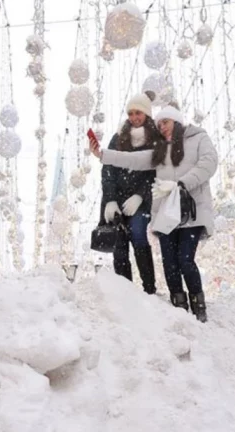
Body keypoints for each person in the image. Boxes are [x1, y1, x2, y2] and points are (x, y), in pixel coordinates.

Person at [90, 102, 218, 322]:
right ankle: (179, 305)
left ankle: (198, 304)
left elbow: (209, 164)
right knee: (170, 263)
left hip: (191, 212)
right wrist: (102, 155)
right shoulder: (160, 150)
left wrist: (180, 184)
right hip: (166, 215)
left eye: (165, 122)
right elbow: (133, 159)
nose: (162, 127)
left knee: (185, 260)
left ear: (176, 121)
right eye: (159, 125)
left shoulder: (198, 138)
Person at [100, 92, 161, 295]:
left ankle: (149, 289)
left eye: (138, 113)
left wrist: (141, 195)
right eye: (131, 113)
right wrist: (110, 200)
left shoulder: (155, 140)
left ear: (147, 114)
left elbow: (156, 172)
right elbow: (108, 170)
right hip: (117, 199)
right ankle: (125, 292)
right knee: (119, 242)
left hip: (140, 201)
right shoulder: (118, 138)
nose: (134, 117)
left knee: (138, 234)